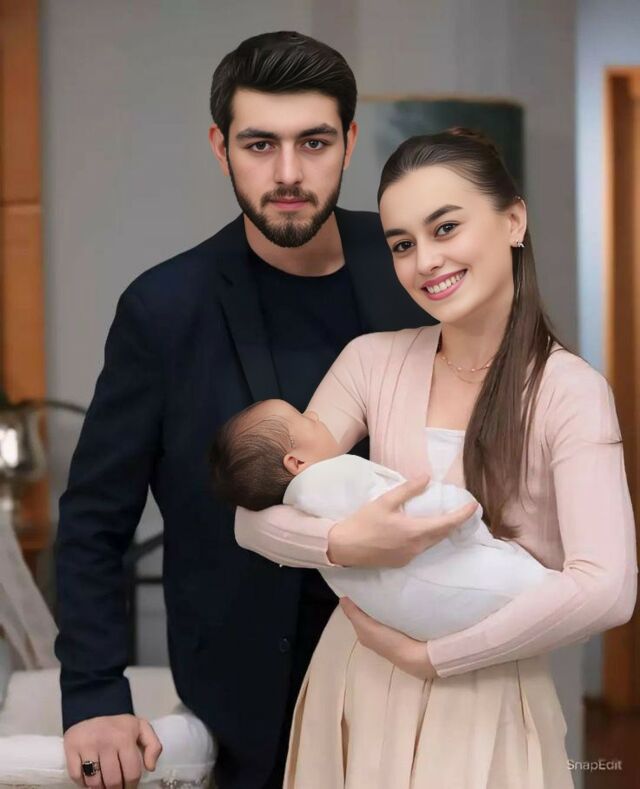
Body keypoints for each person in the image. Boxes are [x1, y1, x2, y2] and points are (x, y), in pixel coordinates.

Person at [54, 31, 474, 789]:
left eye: (313, 142)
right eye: (259, 144)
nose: (287, 173)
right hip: (254, 710)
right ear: (221, 148)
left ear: (349, 142)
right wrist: (94, 694)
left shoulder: (418, 270)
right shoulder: (164, 309)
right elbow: (94, 519)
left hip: (435, 680)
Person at [235, 129, 638, 787]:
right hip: (353, 683)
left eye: (445, 228)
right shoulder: (371, 361)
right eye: (402, 244)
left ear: (513, 221)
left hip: (485, 700)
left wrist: (435, 656)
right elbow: (252, 518)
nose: (425, 261)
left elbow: (608, 588)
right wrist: (344, 543)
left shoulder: (570, 391)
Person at [210, 398, 556, 640]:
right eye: (305, 418)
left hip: (409, 620)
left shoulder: (301, 506)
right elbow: (408, 508)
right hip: (441, 582)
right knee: (533, 585)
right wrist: (460, 508)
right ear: (296, 463)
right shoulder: (330, 478)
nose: (315, 414)